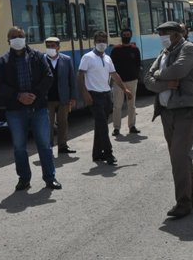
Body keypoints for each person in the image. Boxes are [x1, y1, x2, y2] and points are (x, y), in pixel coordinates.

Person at [143, 21, 193, 218]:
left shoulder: (189, 49)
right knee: (181, 156)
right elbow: (147, 80)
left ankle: (183, 203)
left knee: (178, 156)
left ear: (177, 34)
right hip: (167, 111)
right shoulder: (164, 53)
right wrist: (165, 84)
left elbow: (178, 71)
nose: (162, 36)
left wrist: (159, 76)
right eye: (159, 33)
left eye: (165, 33)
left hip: (185, 109)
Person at [0, 27, 62, 191]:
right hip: (15, 110)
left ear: (25, 38)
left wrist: (33, 94)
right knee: (19, 147)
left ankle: (50, 178)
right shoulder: (2, 61)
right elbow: (0, 86)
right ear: (8, 41)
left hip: (38, 107)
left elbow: (48, 77)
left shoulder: (38, 57)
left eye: (20, 36)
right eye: (13, 37)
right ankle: (24, 179)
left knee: (45, 144)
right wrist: (19, 96)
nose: (17, 38)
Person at [78, 31, 132, 166]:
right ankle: (108, 153)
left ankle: (97, 154)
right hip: (94, 96)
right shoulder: (87, 57)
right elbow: (80, 76)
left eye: (104, 40)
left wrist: (124, 89)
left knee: (100, 125)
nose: (102, 43)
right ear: (94, 42)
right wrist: (85, 93)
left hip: (106, 95)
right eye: (99, 40)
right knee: (103, 125)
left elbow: (114, 74)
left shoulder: (107, 58)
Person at [44, 37, 77, 154]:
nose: (50, 48)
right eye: (48, 46)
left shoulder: (66, 60)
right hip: (47, 99)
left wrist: (73, 97)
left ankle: (63, 145)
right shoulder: (41, 60)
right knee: (48, 124)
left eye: (53, 45)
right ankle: (48, 146)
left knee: (63, 122)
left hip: (63, 97)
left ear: (58, 47)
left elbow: (71, 79)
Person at [110, 28, 142, 136]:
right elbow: (112, 66)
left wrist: (137, 76)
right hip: (119, 82)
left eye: (128, 34)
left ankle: (132, 126)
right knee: (117, 105)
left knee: (131, 105)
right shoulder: (115, 50)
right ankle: (116, 128)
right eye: (124, 34)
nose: (126, 36)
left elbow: (138, 64)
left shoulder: (135, 49)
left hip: (132, 80)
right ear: (121, 36)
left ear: (131, 35)